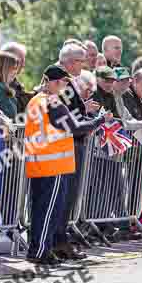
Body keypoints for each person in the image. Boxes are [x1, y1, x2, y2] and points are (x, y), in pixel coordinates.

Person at [24, 65, 109, 265]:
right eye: (64, 82)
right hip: (53, 165)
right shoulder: (53, 102)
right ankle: (40, 252)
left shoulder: (36, 100)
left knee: (40, 211)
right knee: (48, 212)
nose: (66, 87)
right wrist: (100, 120)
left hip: (40, 163)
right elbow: (75, 128)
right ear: (56, 82)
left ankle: (39, 250)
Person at [56, 43, 102, 256]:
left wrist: (83, 109)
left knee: (69, 196)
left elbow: (71, 112)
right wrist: (94, 121)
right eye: (81, 61)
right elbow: (67, 119)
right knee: (64, 196)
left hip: (72, 143)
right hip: (67, 145)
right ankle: (57, 242)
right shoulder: (60, 82)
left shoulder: (68, 81)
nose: (83, 65)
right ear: (71, 62)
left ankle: (60, 240)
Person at [0, 42, 34, 114]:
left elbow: (23, 98)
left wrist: (37, 92)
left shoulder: (13, 80)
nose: (23, 64)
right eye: (21, 60)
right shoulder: (1, 82)